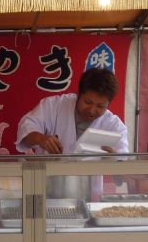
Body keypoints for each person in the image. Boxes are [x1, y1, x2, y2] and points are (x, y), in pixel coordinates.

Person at [16, 68, 130, 200]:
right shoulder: (54, 106)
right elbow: (27, 126)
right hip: (46, 192)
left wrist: (115, 160)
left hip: (88, 197)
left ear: (108, 103)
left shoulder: (114, 126)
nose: (92, 110)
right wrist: (40, 138)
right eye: (88, 102)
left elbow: (124, 166)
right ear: (79, 94)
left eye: (100, 106)